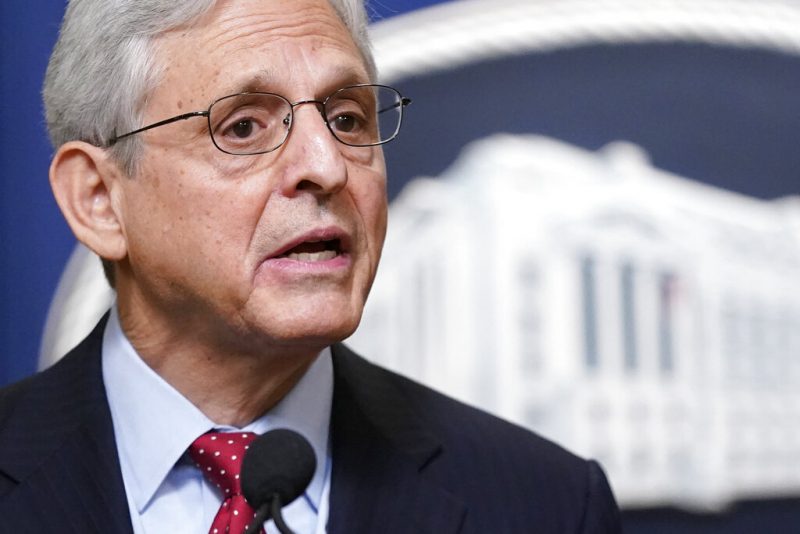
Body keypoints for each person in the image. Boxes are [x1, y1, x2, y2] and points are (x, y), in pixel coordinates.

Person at [0, 0, 622, 532]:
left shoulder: (548, 506)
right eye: (243, 128)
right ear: (100, 200)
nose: (327, 166)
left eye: (347, 118)